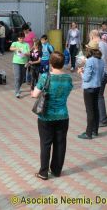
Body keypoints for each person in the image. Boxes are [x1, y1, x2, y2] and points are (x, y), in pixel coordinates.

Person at [32, 51, 73, 180]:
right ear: (63, 63)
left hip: (46, 116)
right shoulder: (68, 78)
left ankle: (43, 172)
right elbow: (68, 90)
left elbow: (35, 94)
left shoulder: (45, 77)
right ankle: (56, 170)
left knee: (45, 143)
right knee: (60, 143)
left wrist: (33, 92)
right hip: (63, 115)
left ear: (50, 63)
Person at [77, 41, 104, 139]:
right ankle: (95, 131)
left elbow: (86, 78)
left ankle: (88, 133)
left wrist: (80, 72)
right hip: (97, 86)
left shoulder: (89, 60)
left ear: (89, 49)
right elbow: (98, 74)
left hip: (89, 88)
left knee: (90, 111)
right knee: (95, 109)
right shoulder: (101, 60)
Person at [89, 29, 107, 128]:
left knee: (99, 97)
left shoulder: (100, 45)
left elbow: (99, 61)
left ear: (93, 36)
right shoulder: (105, 44)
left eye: (90, 38)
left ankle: (102, 120)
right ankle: (101, 118)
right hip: (106, 72)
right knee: (99, 96)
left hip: (102, 74)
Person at [10, 32, 30, 98]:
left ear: (24, 38)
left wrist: (25, 53)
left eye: (22, 38)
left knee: (22, 78)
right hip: (16, 62)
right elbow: (11, 48)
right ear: (18, 38)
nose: (21, 39)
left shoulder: (26, 44)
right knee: (17, 77)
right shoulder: (15, 43)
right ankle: (17, 91)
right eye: (20, 38)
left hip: (24, 62)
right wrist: (16, 49)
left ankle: (18, 87)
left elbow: (29, 53)